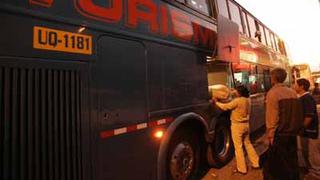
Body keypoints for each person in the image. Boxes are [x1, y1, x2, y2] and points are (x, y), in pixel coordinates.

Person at [263, 68, 303, 180]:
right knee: (292, 160)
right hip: (292, 133)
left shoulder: (273, 93)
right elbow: (297, 113)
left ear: (274, 78)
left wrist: (270, 134)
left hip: (280, 134)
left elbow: (272, 117)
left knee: (279, 165)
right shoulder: (292, 92)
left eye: (271, 76)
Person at [215, 85, 260, 175]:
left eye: (236, 91)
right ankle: (256, 163)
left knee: (238, 148)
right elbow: (233, 94)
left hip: (237, 126)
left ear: (239, 92)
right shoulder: (248, 100)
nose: (235, 92)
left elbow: (225, 107)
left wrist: (216, 102)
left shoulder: (237, 101)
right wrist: (231, 91)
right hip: (246, 125)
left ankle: (242, 169)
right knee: (248, 144)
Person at [294, 78, 320, 180]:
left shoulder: (307, 98)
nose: (293, 86)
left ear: (302, 87)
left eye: (295, 84)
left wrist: (301, 127)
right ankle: (312, 171)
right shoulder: (303, 98)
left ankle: (316, 174)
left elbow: (309, 116)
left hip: (310, 131)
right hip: (307, 131)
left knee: (312, 153)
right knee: (306, 152)